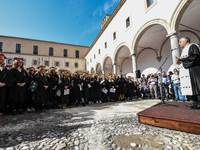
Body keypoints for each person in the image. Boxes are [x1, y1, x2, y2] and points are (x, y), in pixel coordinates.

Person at [176, 37, 200, 109]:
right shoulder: (184, 50)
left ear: (186, 40)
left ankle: (199, 102)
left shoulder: (193, 46)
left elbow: (195, 57)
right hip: (188, 71)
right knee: (192, 87)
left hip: (194, 69)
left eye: (180, 41)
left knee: (196, 86)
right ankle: (195, 102)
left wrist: (182, 60)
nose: (179, 43)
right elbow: (185, 60)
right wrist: (179, 62)